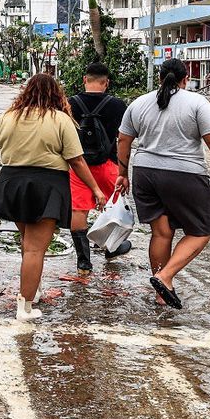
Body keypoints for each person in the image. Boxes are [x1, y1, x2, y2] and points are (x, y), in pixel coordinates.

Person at [0, 73, 106, 321]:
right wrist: (96, 189)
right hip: (46, 185)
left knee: (28, 243)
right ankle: (24, 307)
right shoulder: (60, 119)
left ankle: (32, 290)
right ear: (57, 94)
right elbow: (76, 160)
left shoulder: (10, 115)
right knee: (36, 249)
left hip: (12, 183)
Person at [115, 58, 210, 310]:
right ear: (185, 80)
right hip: (185, 174)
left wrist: (122, 173)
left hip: (145, 173)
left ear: (160, 78)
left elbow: (124, 140)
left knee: (161, 232)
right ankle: (165, 276)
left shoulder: (138, 103)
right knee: (202, 231)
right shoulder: (196, 102)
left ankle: (163, 293)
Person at [67, 63, 128, 275]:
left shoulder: (70, 103)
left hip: (79, 165)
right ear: (106, 82)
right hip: (109, 165)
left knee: (79, 210)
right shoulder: (118, 105)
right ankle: (112, 248)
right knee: (116, 208)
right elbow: (123, 141)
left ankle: (84, 262)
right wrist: (123, 172)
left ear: (85, 79)